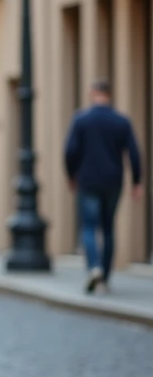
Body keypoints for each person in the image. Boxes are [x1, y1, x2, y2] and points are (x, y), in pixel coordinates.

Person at [64, 79, 143, 294]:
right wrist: (137, 181)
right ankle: (105, 277)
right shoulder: (121, 121)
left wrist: (71, 175)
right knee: (108, 228)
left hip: (88, 181)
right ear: (109, 95)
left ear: (93, 94)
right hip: (113, 181)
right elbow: (134, 153)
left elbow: (70, 151)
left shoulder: (81, 120)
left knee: (89, 227)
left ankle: (94, 267)